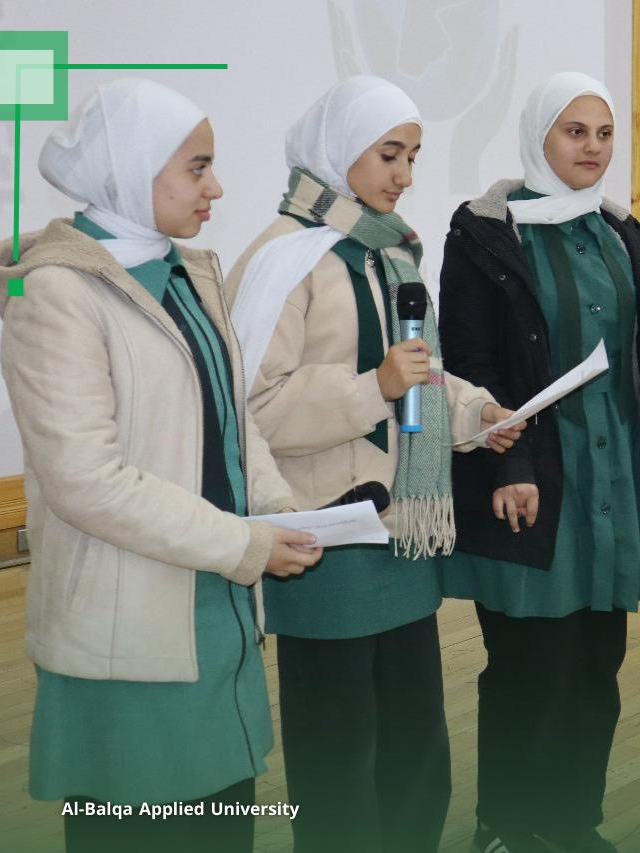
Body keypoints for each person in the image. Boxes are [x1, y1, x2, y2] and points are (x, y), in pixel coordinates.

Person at [0, 78, 321, 853]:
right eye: (198, 167)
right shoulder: (56, 293)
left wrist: (279, 510)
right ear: (131, 168)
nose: (216, 187)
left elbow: (230, 421)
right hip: (126, 626)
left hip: (214, 608)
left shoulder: (187, 272)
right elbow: (85, 480)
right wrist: (244, 543)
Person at [224, 77, 522, 852]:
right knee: (337, 750)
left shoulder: (390, 253)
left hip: (399, 536)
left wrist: (475, 414)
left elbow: (420, 374)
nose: (405, 174)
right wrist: (372, 387)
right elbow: (249, 411)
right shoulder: (283, 259)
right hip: (323, 541)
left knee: (415, 744)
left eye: (413, 156)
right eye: (390, 154)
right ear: (339, 149)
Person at [438, 71, 640, 853]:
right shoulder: (486, 232)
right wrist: (508, 462)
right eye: (575, 132)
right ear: (538, 135)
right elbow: (470, 360)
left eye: (605, 133)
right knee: (529, 664)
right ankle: (505, 824)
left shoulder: (619, 231)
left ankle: (573, 820)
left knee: (595, 662)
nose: (593, 148)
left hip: (614, 480)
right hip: (533, 481)